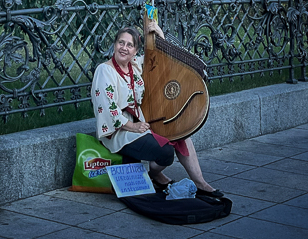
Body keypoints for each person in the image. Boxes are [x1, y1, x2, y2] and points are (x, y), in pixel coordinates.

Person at [91, 24, 222, 196]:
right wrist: (133, 126)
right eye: (120, 43)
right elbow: (108, 108)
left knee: (181, 133)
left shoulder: (135, 65)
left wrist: (159, 35)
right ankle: (154, 174)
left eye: (129, 45)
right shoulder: (105, 70)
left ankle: (201, 183)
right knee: (166, 152)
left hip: (143, 121)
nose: (124, 48)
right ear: (114, 44)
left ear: (136, 51)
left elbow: (162, 59)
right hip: (120, 132)